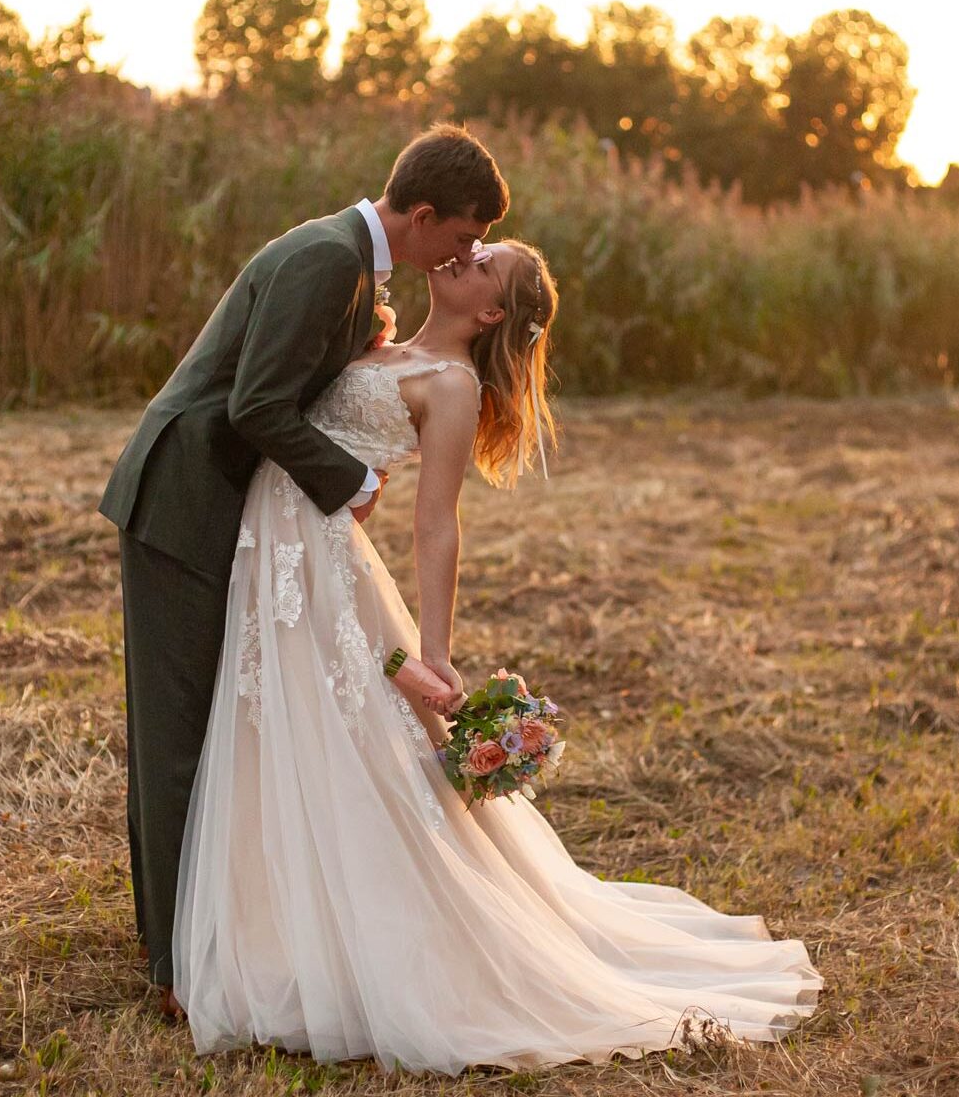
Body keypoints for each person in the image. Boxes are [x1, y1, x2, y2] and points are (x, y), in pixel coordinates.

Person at [172, 240, 822, 1073]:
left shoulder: (450, 384)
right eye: (474, 246)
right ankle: (276, 933)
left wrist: (433, 652)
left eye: (485, 263)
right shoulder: (378, 337)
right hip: (274, 539)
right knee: (278, 730)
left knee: (347, 738)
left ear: (489, 313)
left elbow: (437, 521)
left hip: (319, 554)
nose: (464, 255)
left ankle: (368, 951)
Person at [97, 125, 508, 1014]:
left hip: (236, 515)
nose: (465, 253)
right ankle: (174, 965)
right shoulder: (328, 258)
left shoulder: (349, 268)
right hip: (184, 502)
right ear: (425, 215)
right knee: (176, 735)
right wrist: (352, 478)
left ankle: (183, 933)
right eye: (465, 235)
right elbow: (253, 404)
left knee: (205, 723)